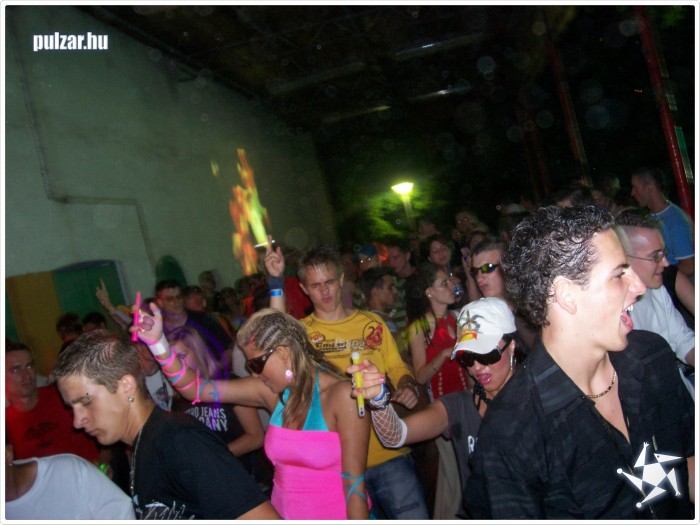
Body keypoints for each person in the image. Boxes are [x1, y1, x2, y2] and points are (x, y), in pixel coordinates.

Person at [465, 205, 694, 519]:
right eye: (619, 275)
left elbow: (688, 463)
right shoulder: (513, 432)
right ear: (566, 295)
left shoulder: (651, 356)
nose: (639, 287)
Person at [133, 307, 370, 519]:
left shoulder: (342, 395)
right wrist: (158, 344)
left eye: (256, 364)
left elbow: (355, 487)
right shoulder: (272, 392)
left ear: (284, 353)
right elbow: (195, 389)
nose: (254, 374)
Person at [264, 236, 430, 519]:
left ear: (341, 280)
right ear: (304, 288)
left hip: (386, 453)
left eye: (329, 282)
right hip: (337, 467)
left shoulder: (371, 323)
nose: (324, 291)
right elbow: (275, 333)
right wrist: (276, 282)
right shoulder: (302, 332)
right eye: (315, 285)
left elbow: (397, 367)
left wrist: (407, 386)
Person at [50, 330, 279, 520]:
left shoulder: (180, 442)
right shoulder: (143, 446)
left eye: (86, 402)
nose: (77, 421)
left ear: (126, 386)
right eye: (72, 408)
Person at [349, 296, 522, 517]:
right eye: (468, 358)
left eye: (487, 354)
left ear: (512, 346)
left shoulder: (540, 404)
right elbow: (394, 435)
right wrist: (378, 398)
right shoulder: (460, 405)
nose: (478, 367)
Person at [404, 262, 469, 519]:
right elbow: (420, 376)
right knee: (454, 475)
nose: (451, 286)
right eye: (444, 283)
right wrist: (442, 355)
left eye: (450, 280)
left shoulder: (458, 318)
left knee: (459, 474)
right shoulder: (419, 327)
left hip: (466, 401)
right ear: (429, 292)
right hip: (443, 407)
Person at [167, 324, 265, 475]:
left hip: (235, 473)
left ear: (198, 352)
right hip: (201, 478)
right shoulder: (178, 398)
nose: (177, 364)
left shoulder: (229, 384)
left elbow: (256, 437)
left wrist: (215, 455)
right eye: (172, 359)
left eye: (181, 356)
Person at [616, 209, 695, 368]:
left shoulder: (656, 290)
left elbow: (682, 340)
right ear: (625, 259)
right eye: (655, 256)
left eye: (664, 253)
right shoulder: (608, 311)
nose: (666, 263)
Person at [5, 344, 100, 464]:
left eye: (29, 366)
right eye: (15, 370)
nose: (26, 375)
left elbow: (101, 418)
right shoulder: (6, 423)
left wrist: (104, 460)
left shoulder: (62, 396)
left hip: (90, 470)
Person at [5, 443, 135, 520]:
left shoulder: (70, 471)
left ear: (7, 454)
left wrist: (104, 457)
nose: (77, 422)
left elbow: (122, 513)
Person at [466, 238, 537, 351]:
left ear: (508, 267)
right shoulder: (483, 318)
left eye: (487, 268)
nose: (479, 278)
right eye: (475, 271)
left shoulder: (534, 306)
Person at [630, 166, 694, 279]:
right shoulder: (651, 217)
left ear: (650, 187)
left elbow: (690, 266)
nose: (632, 193)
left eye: (635, 188)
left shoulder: (675, 221)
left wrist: (656, 272)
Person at [358, 266, 400, 340]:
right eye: (390, 287)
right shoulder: (381, 322)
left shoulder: (366, 320)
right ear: (375, 291)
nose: (395, 291)